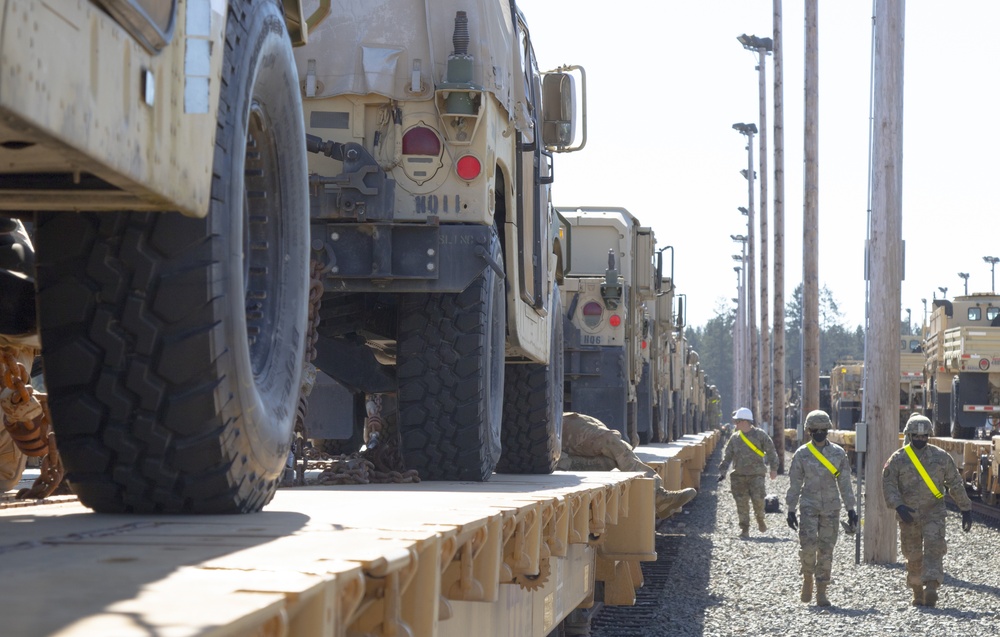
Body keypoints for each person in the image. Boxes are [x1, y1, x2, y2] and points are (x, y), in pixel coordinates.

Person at [882, 413, 972, 607]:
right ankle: (917, 592)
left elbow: (954, 483)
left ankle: (931, 586)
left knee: (934, 548)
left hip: (934, 512)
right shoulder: (898, 459)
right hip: (909, 514)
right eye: (916, 436)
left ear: (928, 436)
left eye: (924, 436)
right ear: (909, 435)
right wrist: (897, 504)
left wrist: (966, 508)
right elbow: (889, 484)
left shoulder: (941, 457)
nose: (920, 439)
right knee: (912, 554)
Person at [556, 412, 697, 518]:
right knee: (610, 441)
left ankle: (659, 496)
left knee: (612, 458)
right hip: (554, 436)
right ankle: (658, 496)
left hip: (554, 447)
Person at [785, 409, 856, 607]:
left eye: (822, 429)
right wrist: (790, 509)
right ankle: (807, 577)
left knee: (826, 550)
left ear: (827, 430)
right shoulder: (802, 454)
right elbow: (795, 484)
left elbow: (845, 484)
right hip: (808, 506)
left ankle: (822, 590)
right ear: (809, 431)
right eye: (815, 429)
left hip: (831, 508)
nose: (819, 433)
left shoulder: (838, 453)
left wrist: (851, 509)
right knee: (808, 547)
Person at [718, 407, 778, 538]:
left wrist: (774, 469)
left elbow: (771, 451)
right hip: (738, 476)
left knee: (758, 500)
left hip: (756, 475)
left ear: (745, 421)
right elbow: (727, 456)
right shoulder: (734, 438)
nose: (735, 424)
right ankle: (744, 529)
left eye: (737, 421)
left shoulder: (760, 435)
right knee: (741, 504)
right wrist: (722, 471)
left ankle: (760, 519)